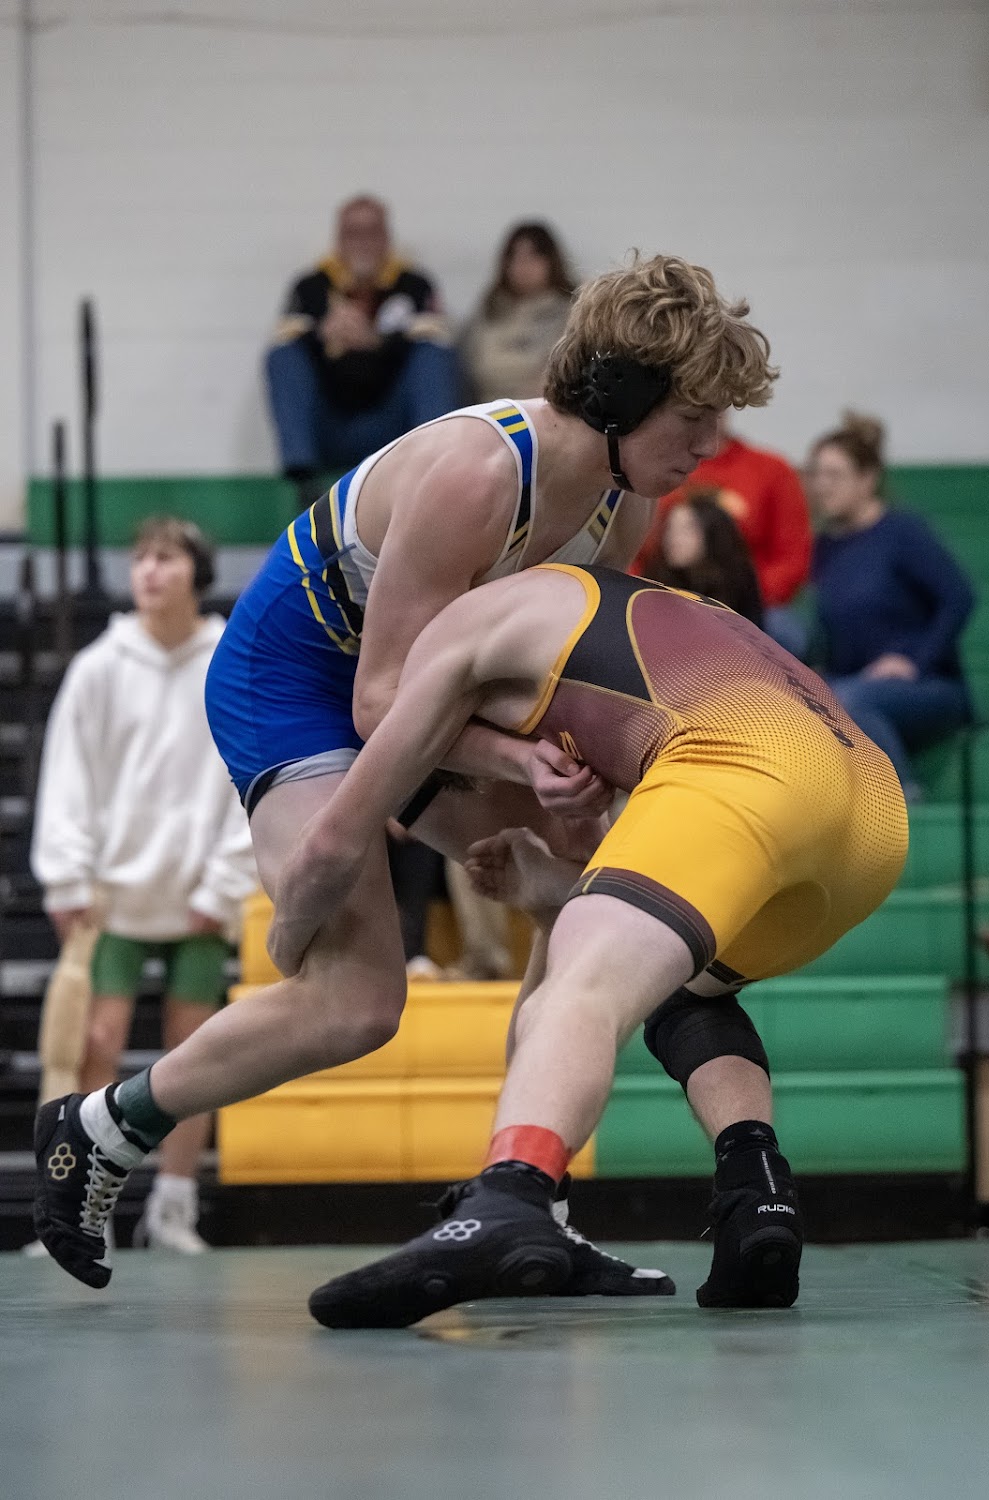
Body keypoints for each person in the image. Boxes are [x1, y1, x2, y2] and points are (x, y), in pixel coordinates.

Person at [32, 253, 778, 1298]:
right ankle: (101, 1127)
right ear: (617, 396)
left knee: (589, 898)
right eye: (692, 417)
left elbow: (538, 676)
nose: (709, 447)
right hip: (298, 677)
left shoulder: (620, 505)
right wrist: (512, 760)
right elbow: (382, 704)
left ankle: (527, 1204)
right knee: (358, 997)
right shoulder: (481, 473)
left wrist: (574, 777)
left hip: (421, 691)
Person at [265, 560, 905, 1326]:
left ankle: (511, 1194)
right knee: (674, 983)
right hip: (872, 818)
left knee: (583, 985)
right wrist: (550, 884)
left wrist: (288, 935)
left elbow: (367, 756)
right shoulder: (656, 604)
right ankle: (755, 1186)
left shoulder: (458, 627)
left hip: (748, 764)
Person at [29, 517, 258, 1253]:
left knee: (195, 1057)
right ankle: (78, 1207)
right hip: (113, 901)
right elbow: (68, 777)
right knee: (93, 1046)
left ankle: (174, 1207)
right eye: (140, 559)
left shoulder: (228, 659)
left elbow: (248, 774)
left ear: (198, 573)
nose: (149, 571)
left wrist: (224, 883)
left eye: (166, 558)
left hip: (198, 899)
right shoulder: (100, 666)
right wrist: (67, 877)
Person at [807, 413, 975, 801]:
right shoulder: (826, 546)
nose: (821, 485)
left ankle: (902, 795)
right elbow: (830, 628)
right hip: (854, 684)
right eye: (816, 474)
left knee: (847, 698)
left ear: (867, 480)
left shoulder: (902, 532)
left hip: (927, 686)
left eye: (834, 475)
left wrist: (914, 661)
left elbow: (958, 597)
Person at [265, 195, 460, 498]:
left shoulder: (414, 284)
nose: (363, 243)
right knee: (283, 356)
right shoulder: (311, 286)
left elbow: (437, 334)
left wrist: (374, 340)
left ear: (386, 237)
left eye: (371, 232)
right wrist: (323, 335)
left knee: (434, 354)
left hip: (395, 424)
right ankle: (305, 483)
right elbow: (287, 336)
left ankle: (432, 472)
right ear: (338, 239)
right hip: (331, 425)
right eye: (353, 233)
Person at [632, 419, 811, 654]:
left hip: (746, 603)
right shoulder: (649, 468)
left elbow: (792, 559)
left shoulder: (771, 470)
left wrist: (737, 598)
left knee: (780, 629)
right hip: (667, 598)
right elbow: (633, 557)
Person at [461, 222, 576, 403]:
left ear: (551, 261)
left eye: (533, 256)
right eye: (515, 257)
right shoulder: (490, 309)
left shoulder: (572, 311)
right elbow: (477, 367)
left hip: (541, 407)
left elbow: (560, 373)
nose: (523, 265)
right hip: (485, 406)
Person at [637, 488, 764, 625]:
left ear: (711, 535)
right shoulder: (655, 576)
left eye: (686, 530)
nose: (674, 539)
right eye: (670, 528)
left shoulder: (738, 578)